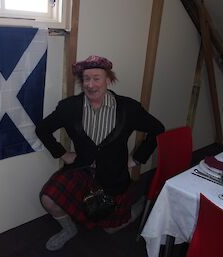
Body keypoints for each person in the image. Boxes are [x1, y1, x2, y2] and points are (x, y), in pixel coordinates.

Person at [35, 55, 165, 251]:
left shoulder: (128, 108)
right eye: (86, 79)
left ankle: (134, 207)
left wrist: (137, 158)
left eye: (96, 78)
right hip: (81, 170)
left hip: (114, 175)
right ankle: (69, 229)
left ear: (108, 80)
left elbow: (157, 128)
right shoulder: (69, 107)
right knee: (48, 198)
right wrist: (62, 153)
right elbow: (42, 129)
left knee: (111, 230)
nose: (91, 84)